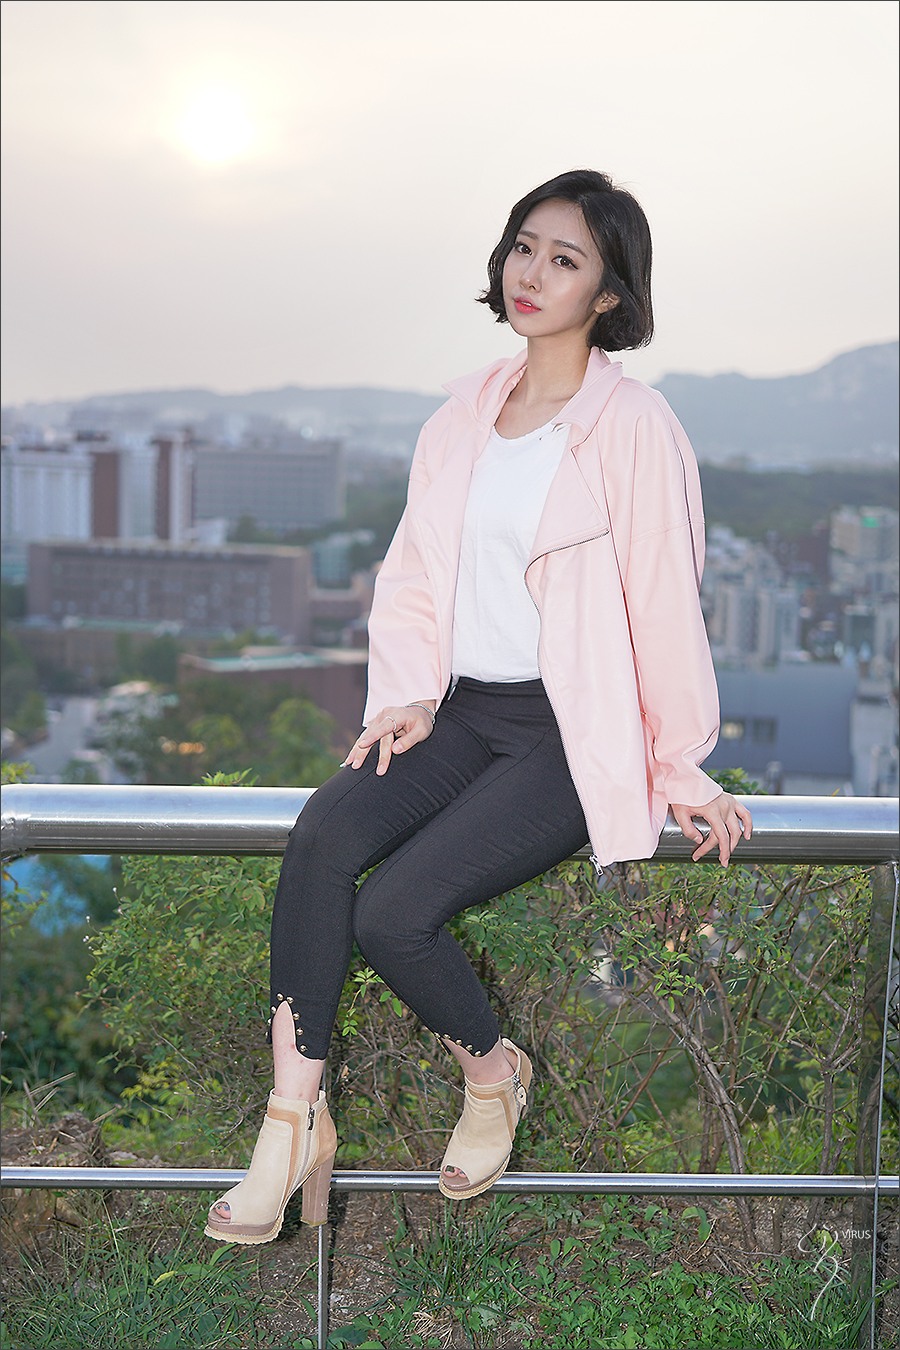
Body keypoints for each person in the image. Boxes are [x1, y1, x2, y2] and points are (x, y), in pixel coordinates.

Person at [204, 169, 753, 1246]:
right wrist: (408, 693)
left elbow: (663, 597)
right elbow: (415, 573)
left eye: (565, 259)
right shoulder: (461, 416)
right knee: (322, 837)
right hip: (462, 711)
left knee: (394, 914)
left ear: (608, 294)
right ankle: (290, 1122)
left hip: (567, 733)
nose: (531, 273)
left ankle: (494, 1076)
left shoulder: (634, 427)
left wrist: (679, 764)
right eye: (523, 247)